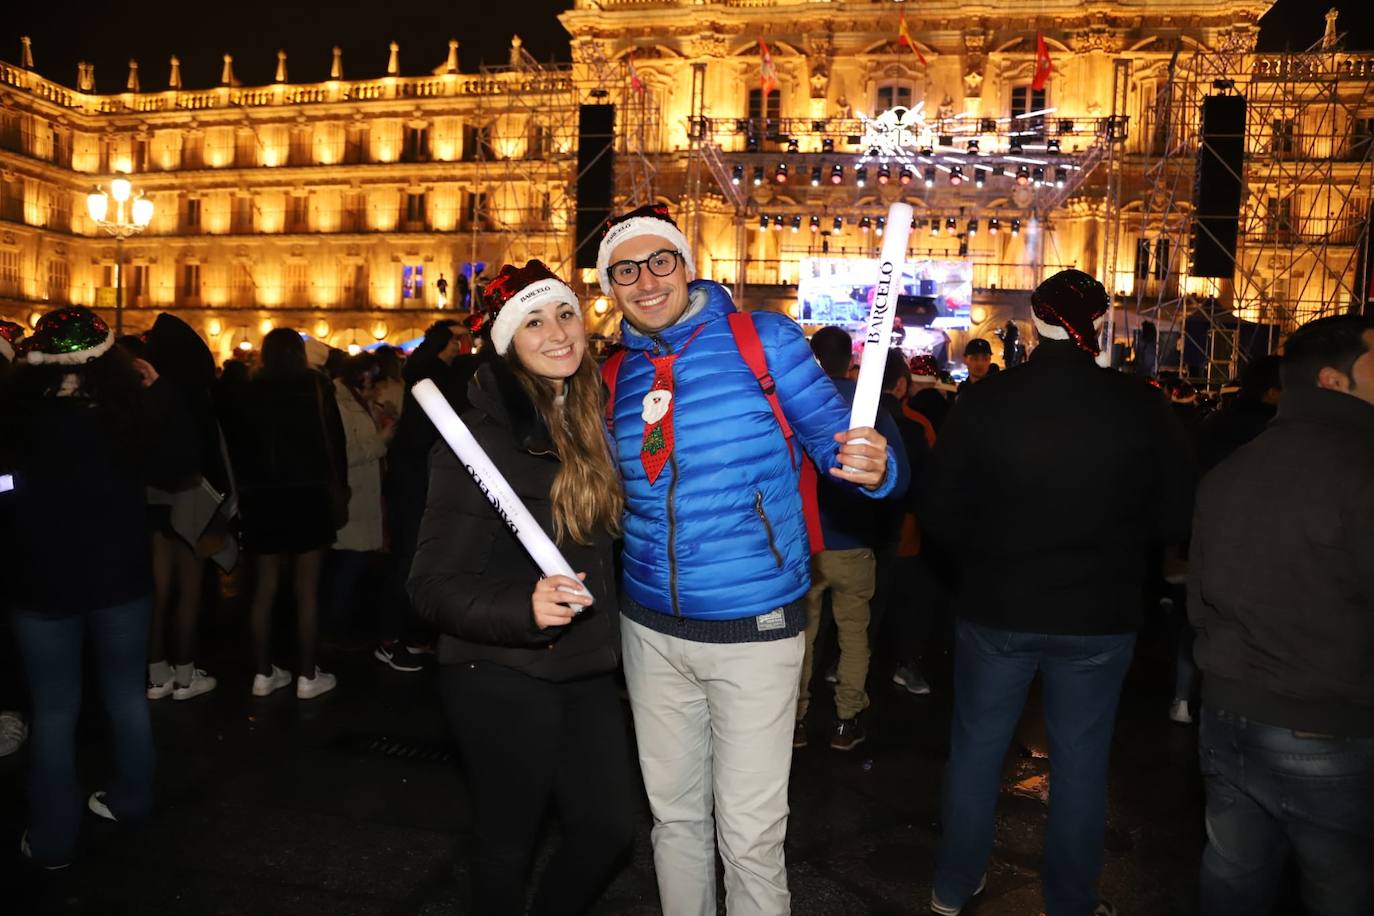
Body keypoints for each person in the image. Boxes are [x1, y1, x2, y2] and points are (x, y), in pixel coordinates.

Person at [597, 204, 897, 915]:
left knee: (750, 834)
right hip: (648, 631)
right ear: (610, 286)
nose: (646, 281)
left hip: (753, 630)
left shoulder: (760, 339)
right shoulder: (615, 375)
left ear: (687, 264)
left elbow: (838, 443)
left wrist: (874, 465)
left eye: (659, 261)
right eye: (626, 270)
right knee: (673, 822)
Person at [920, 270, 1195, 916]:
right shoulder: (1138, 405)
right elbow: (1177, 514)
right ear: (1096, 323)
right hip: (1099, 613)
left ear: (1034, 319)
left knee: (976, 753)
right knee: (1081, 763)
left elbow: (938, 512)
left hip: (998, 606)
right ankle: (1070, 900)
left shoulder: (987, 402)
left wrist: (985, 553)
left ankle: (952, 887)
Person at [408, 261, 633, 916]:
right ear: (507, 342)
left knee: (606, 829)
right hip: (500, 672)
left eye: (565, 313)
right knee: (507, 844)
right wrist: (523, 607)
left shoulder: (589, 423)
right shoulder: (476, 441)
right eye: (533, 321)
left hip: (585, 666)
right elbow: (428, 587)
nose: (558, 332)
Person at [1189, 314, 1374, 916]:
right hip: (1328, 719)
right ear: (1334, 380)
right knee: (1338, 887)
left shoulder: (1231, 470)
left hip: (1230, 709)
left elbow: (1200, 598)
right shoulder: (1360, 470)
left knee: (1234, 877)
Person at [3, 307, 195, 868]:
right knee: (124, 694)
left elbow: (1, 484)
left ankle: (54, 839)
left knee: (55, 709)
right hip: (119, 579)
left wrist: (19, 491)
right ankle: (133, 800)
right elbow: (179, 465)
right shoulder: (123, 415)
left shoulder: (18, 417)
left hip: (41, 582)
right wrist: (162, 392)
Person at [794, 328, 909, 751]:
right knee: (854, 634)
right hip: (855, 542)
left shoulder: (797, 402)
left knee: (802, 636)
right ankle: (847, 719)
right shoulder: (868, 406)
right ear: (849, 358)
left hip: (806, 542)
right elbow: (899, 477)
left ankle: (797, 719)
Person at [220, 328, 347, 699]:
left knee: (264, 587)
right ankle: (307, 675)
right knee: (307, 590)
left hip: (262, 497)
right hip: (308, 494)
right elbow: (334, 444)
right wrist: (340, 487)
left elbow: (237, 447)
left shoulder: (249, 390)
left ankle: (263, 673)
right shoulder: (316, 387)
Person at [379, 319, 479, 670]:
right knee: (412, 555)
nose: (460, 345)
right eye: (455, 339)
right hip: (420, 476)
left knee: (419, 553)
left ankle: (411, 633)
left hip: (422, 474)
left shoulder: (428, 371)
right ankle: (397, 636)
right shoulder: (434, 374)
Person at [142, 313, 231, 703]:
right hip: (192, 498)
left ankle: (156, 674)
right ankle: (184, 673)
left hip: (152, 499)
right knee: (189, 592)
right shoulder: (196, 395)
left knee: (159, 593)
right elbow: (210, 453)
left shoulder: (149, 392)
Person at [869, 349, 935, 697]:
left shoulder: (855, 420)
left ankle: (849, 667)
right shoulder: (915, 424)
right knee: (909, 602)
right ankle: (906, 664)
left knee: (866, 602)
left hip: (862, 531)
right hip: (907, 528)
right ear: (900, 384)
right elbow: (930, 476)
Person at [329, 353, 392, 644]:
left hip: (366, 497)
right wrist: (383, 438)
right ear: (363, 379)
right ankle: (338, 630)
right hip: (354, 497)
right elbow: (347, 454)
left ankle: (347, 626)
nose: (378, 391)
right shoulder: (340, 406)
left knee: (355, 565)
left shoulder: (358, 404)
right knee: (348, 566)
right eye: (375, 385)